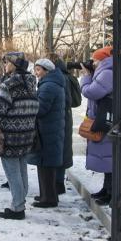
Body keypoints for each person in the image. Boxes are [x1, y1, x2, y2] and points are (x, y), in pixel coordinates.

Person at [0, 52, 39, 220]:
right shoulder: (32, 82)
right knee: (22, 169)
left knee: (12, 172)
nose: (4, 65)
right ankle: (21, 201)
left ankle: (18, 208)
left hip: (9, 136)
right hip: (27, 134)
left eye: (6, 62)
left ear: (14, 64)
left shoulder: (9, 85)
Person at [27, 58, 65, 208]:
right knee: (44, 164)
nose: (36, 73)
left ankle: (49, 199)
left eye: (38, 70)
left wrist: (31, 100)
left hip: (48, 130)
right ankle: (46, 195)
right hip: (49, 129)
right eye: (35, 69)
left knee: (46, 165)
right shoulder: (50, 83)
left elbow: (41, 109)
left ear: (47, 71)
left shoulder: (48, 86)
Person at [80, 46, 113, 206]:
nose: (92, 63)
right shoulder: (105, 71)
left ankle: (111, 192)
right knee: (106, 158)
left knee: (109, 158)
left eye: (94, 60)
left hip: (105, 121)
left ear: (102, 59)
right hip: (101, 118)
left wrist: (86, 77)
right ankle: (106, 189)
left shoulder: (107, 72)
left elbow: (92, 92)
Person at [53, 57, 81, 195]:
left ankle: (57, 183)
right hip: (67, 117)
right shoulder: (69, 77)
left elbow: (65, 99)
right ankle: (59, 182)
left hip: (59, 117)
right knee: (63, 149)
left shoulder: (59, 79)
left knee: (58, 149)